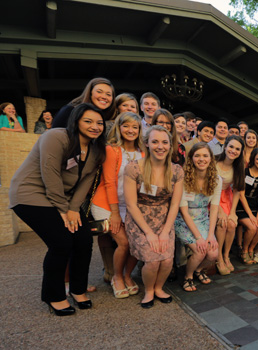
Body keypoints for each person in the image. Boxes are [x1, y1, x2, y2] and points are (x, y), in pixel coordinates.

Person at [10, 103, 106, 316]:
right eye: (88, 121)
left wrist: (73, 208)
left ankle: (78, 289)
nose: (95, 126)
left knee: (83, 239)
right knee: (61, 242)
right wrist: (63, 210)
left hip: (65, 199)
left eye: (99, 123)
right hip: (31, 194)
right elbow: (49, 173)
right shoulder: (56, 137)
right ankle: (53, 296)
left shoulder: (96, 149)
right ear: (76, 121)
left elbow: (86, 181)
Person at [124, 125, 184, 308]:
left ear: (170, 146)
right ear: (147, 144)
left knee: (166, 259)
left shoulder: (176, 171)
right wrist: (149, 233)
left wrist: (165, 231)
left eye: (165, 142)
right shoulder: (134, 168)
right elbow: (131, 204)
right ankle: (149, 291)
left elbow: (174, 204)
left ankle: (159, 288)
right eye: (155, 141)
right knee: (151, 260)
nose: (160, 146)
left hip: (164, 218)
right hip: (139, 219)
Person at [92, 111, 144, 298]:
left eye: (135, 127)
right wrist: (114, 213)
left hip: (130, 205)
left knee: (137, 240)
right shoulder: (112, 150)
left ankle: (128, 275)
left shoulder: (143, 152)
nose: (130, 130)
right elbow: (109, 183)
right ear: (119, 127)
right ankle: (117, 277)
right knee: (124, 242)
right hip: (107, 204)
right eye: (126, 126)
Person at [174, 143, 221, 292]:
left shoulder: (216, 179)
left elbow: (213, 208)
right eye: (197, 155)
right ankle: (188, 276)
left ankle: (198, 269)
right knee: (200, 250)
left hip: (203, 219)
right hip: (184, 220)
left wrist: (210, 235)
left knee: (213, 253)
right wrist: (198, 237)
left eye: (205, 155)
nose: (202, 159)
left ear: (210, 159)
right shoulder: (184, 178)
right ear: (191, 158)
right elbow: (183, 211)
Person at [214, 135, 246, 275]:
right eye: (231, 146)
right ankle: (218, 257)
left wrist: (233, 212)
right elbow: (208, 189)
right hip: (211, 197)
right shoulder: (213, 161)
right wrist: (220, 211)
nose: (233, 150)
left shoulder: (239, 167)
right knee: (222, 223)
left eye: (237, 149)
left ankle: (226, 255)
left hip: (227, 197)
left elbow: (237, 190)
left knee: (232, 223)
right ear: (225, 146)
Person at [236, 148, 258, 264]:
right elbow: (241, 195)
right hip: (241, 205)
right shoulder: (245, 172)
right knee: (252, 228)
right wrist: (250, 215)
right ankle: (244, 251)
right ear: (253, 159)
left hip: (255, 206)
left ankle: (251, 249)